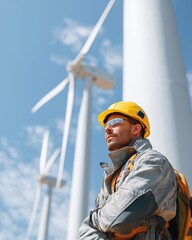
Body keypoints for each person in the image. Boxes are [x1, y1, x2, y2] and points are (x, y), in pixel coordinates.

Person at [79, 101, 177, 239]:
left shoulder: (153, 162)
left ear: (136, 129)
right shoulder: (111, 177)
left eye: (116, 122)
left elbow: (119, 217)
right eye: (106, 125)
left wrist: (92, 222)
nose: (107, 129)